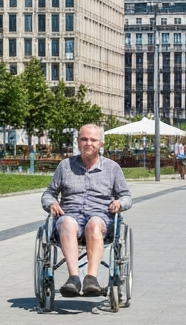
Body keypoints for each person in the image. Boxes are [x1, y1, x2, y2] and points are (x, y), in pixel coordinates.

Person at [43, 123, 132, 298]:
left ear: (101, 144)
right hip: (70, 215)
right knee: (67, 223)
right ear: (78, 142)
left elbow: (126, 196)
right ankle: (74, 278)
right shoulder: (65, 166)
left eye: (93, 140)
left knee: (94, 224)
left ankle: (91, 278)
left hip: (100, 217)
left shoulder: (112, 168)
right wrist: (51, 203)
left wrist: (120, 203)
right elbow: (49, 193)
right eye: (84, 139)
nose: (88, 143)